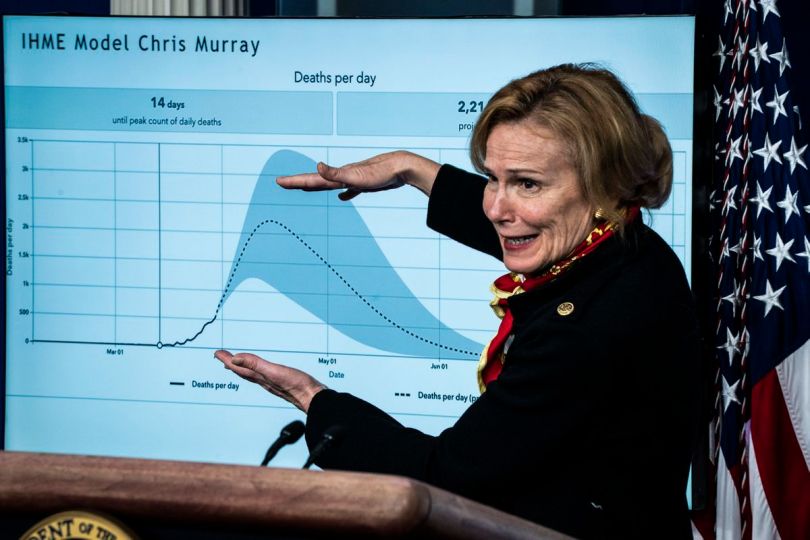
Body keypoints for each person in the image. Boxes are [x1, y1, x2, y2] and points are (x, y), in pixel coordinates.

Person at [214, 63, 700, 539]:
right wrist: (410, 169)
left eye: (527, 183)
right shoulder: (626, 245)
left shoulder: (581, 334)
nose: (496, 208)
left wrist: (313, 399)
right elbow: (522, 223)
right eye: (492, 177)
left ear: (604, 187)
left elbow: (446, 479)